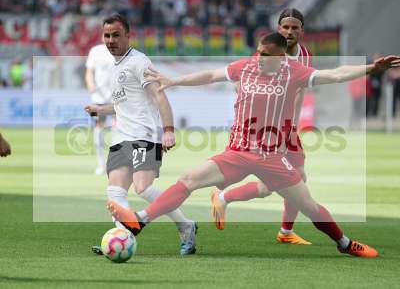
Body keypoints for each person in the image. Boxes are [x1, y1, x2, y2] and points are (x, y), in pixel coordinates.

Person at [106, 32, 399, 258]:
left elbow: (335, 74)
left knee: (308, 205)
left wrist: (371, 68)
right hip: (237, 152)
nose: (259, 58)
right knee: (189, 180)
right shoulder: (245, 67)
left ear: (281, 56)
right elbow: (210, 75)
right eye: (258, 52)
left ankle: (345, 244)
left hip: (272, 156)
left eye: (266, 55)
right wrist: (174, 81)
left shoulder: (293, 72)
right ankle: (139, 222)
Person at [85, 14, 197, 255]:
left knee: (143, 188)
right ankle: (121, 239)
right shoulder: (115, 67)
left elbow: (160, 95)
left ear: (128, 35)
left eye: (116, 35)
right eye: (107, 35)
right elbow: (123, 105)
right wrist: (101, 109)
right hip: (121, 137)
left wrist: (168, 130)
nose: (111, 40)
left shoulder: (139, 62)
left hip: (144, 135)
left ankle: (186, 225)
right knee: (115, 192)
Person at [210, 8, 313, 245]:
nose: (289, 31)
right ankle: (224, 196)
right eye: (285, 27)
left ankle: (285, 232)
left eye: (294, 27)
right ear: (278, 29)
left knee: (298, 177)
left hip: (286, 130)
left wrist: (293, 127)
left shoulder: (305, 55)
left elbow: (299, 92)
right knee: (272, 184)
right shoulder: (266, 52)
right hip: (262, 131)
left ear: (301, 31)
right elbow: (242, 82)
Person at [85, 42, 115, 175]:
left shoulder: (123, 50)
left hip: (118, 97)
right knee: (98, 128)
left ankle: (114, 163)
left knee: (118, 128)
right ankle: (100, 163)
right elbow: (89, 72)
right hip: (98, 98)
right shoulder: (95, 50)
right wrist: (91, 85)